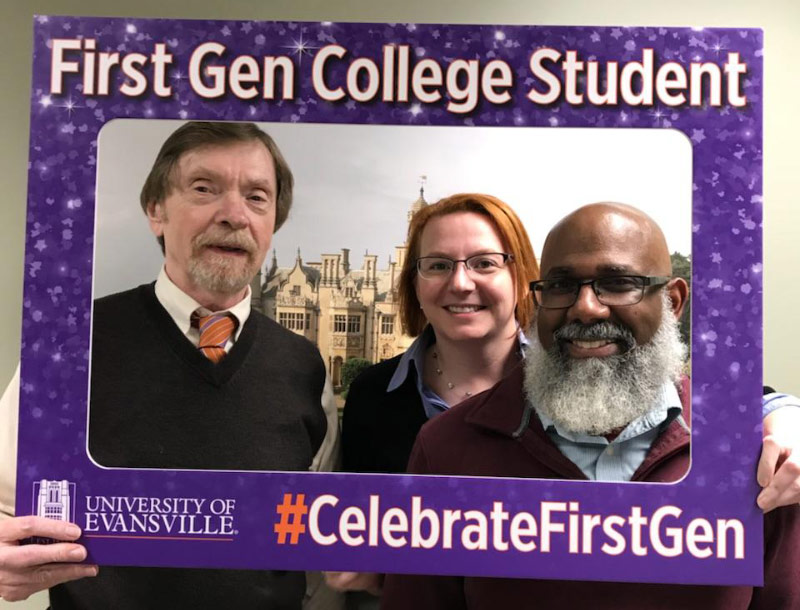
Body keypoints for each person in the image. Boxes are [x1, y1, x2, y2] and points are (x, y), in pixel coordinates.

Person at [378, 202, 800, 608]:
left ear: (672, 300)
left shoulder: (759, 457)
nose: (585, 308)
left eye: (617, 283)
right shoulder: (447, 448)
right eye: (561, 286)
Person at [0, 122, 341, 608]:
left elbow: (321, 537)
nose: (234, 214)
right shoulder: (71, 344)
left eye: (257, 197)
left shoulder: (304, 364)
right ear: (156, 211)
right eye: (204, 189)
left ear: (273, 225)